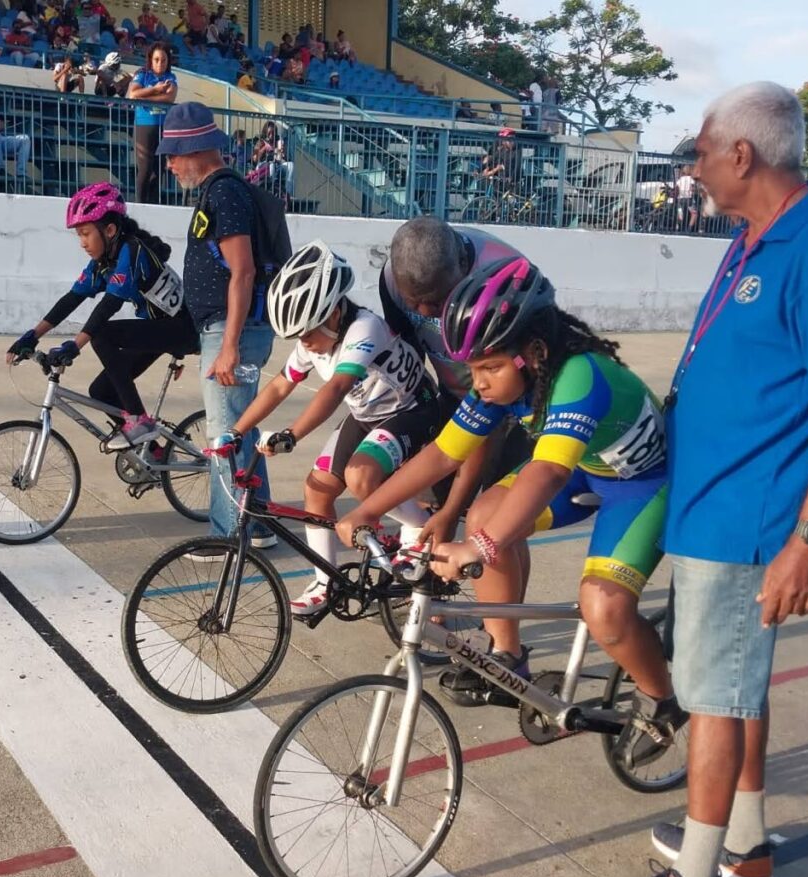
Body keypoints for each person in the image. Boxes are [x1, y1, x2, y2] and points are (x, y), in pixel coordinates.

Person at [587, 81, 808, 877]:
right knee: (733, 686)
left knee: (715, 699)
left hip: (750, 520)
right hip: (707, 504)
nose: (691, 165)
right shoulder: (750, 236)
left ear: (742, 155)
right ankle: (746, 848)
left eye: (698, 150)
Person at [338, 257, 681, 754]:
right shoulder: (503, 380)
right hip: (584, 465)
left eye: (489, 368)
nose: (477, 382)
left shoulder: (579, 376)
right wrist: (366, 511)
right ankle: (507, 655)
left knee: (603, 607)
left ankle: (660, 701)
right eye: (471, 368)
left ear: (534, 352)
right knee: (484, 513)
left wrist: (480, 546)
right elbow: (441, 454)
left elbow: (547, 473)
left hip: (641, 484)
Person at [225, 242, 440, 614]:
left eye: (307, 333)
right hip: (368, 413)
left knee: (361, 477)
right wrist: (236, 431)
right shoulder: (314, 340)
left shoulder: (364, 328)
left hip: (412, 409)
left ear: (335, 313)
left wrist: (292, 434)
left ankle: (419, 530)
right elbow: (280, 384)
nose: (304, 344)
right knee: (317, 491)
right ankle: (326, 583)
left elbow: (336, 388)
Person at [157, 101, 285, 549]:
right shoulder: (225, 191)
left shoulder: (224, 194)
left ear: (195, 150)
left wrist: (228, 345)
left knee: (224, 436)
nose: (170, 165)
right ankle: (261, 522)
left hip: (233, 333)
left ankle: (229, 535)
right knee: (241, 427)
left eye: (173, 155)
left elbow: (243, 271)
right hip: (237, 330)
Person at [5, 182, 197, 452]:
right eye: (78, 236)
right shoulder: (104, 261)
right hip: (159, 329)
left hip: (182, 329)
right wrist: (31, 335)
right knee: (102, 392)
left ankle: (139, 421)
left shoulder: (132, 251)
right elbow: (72, 298)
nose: (82, 243)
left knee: (104, 334)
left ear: (109, 230)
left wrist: (75, 345)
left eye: (85, 233)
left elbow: (110, 304)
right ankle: (151, 452)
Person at [377, 216, 533, 538]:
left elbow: (492, 403)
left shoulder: (507, 278)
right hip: (454, 394)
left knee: (494, 524)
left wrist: (454, 508)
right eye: (412, 302)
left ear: (463, 265)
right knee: (431, 505)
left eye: (436, 301)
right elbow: (408, 359)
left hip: (514, 405)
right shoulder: (393, 279)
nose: (423, 312)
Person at [127, 41, 178, 203]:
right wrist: (156, 90)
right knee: (145, 168)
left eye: (163, 60)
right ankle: (140, 205)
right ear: (151, 60)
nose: (160, 64)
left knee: (158, 169)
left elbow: (169, 98)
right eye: (156, 60)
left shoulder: (170, 77)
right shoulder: (142, 74)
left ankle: (154, 205)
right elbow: (133, 94)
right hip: (144, 125)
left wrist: (147, 96)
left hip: (163, 126)